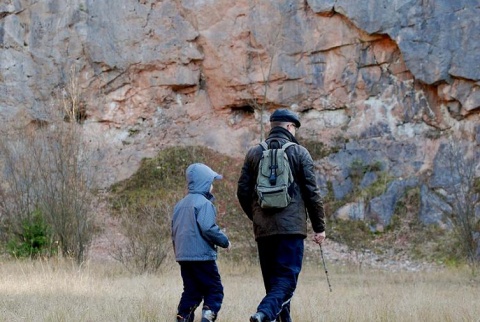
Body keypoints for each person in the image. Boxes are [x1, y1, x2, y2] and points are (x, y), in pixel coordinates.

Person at [237, 108, 326, 322]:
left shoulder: (254, 153)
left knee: (273, 284)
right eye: (294, 127)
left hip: (264, 231)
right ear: (289, 127)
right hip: (291, 230)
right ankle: (263, 313)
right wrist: (319, 227)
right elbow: (312, 193)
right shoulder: (299, 152)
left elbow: (242, 192)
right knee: (286, 281)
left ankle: (275, 317)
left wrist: (257, 217)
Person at [172, 163, 231, 322]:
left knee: (191, 291)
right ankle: (207, 317)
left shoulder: (179, 205)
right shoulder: (204, 204)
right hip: (202, 257)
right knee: (214, 290)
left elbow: (174, 232)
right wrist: (225, 241)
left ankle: (183, 317)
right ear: (204, 183)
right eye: (211, 181)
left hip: (184, 256)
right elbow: (209, 228)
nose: (212, 185)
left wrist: (179, 252)